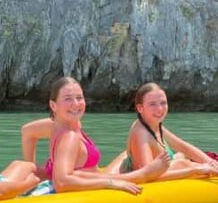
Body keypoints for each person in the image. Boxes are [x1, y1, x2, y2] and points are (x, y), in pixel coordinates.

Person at [20, 77, 169, 195]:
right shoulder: (69, 136)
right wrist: (110, 183)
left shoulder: (59, 124)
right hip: (86, 182)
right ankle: (145, 173)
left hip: (91, 176)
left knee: (126, 155)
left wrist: (32, 167)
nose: (76, 104)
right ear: (53, 105)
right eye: (68, 99)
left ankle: (145, 173)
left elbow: (27, 131)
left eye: (79, 97)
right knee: (152, 169)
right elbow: (61, 182)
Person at [123, 82, 218, 179]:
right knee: (182, 162)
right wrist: (195, 169)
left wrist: (210, 163)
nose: (160, 109)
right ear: (140, 108)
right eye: (152, 104)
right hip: (152, 182)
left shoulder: (154, 124)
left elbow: (183, 146)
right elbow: (149, 176)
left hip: (162, 170)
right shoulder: (141, 134)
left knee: (182, 154)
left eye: (163, 103)